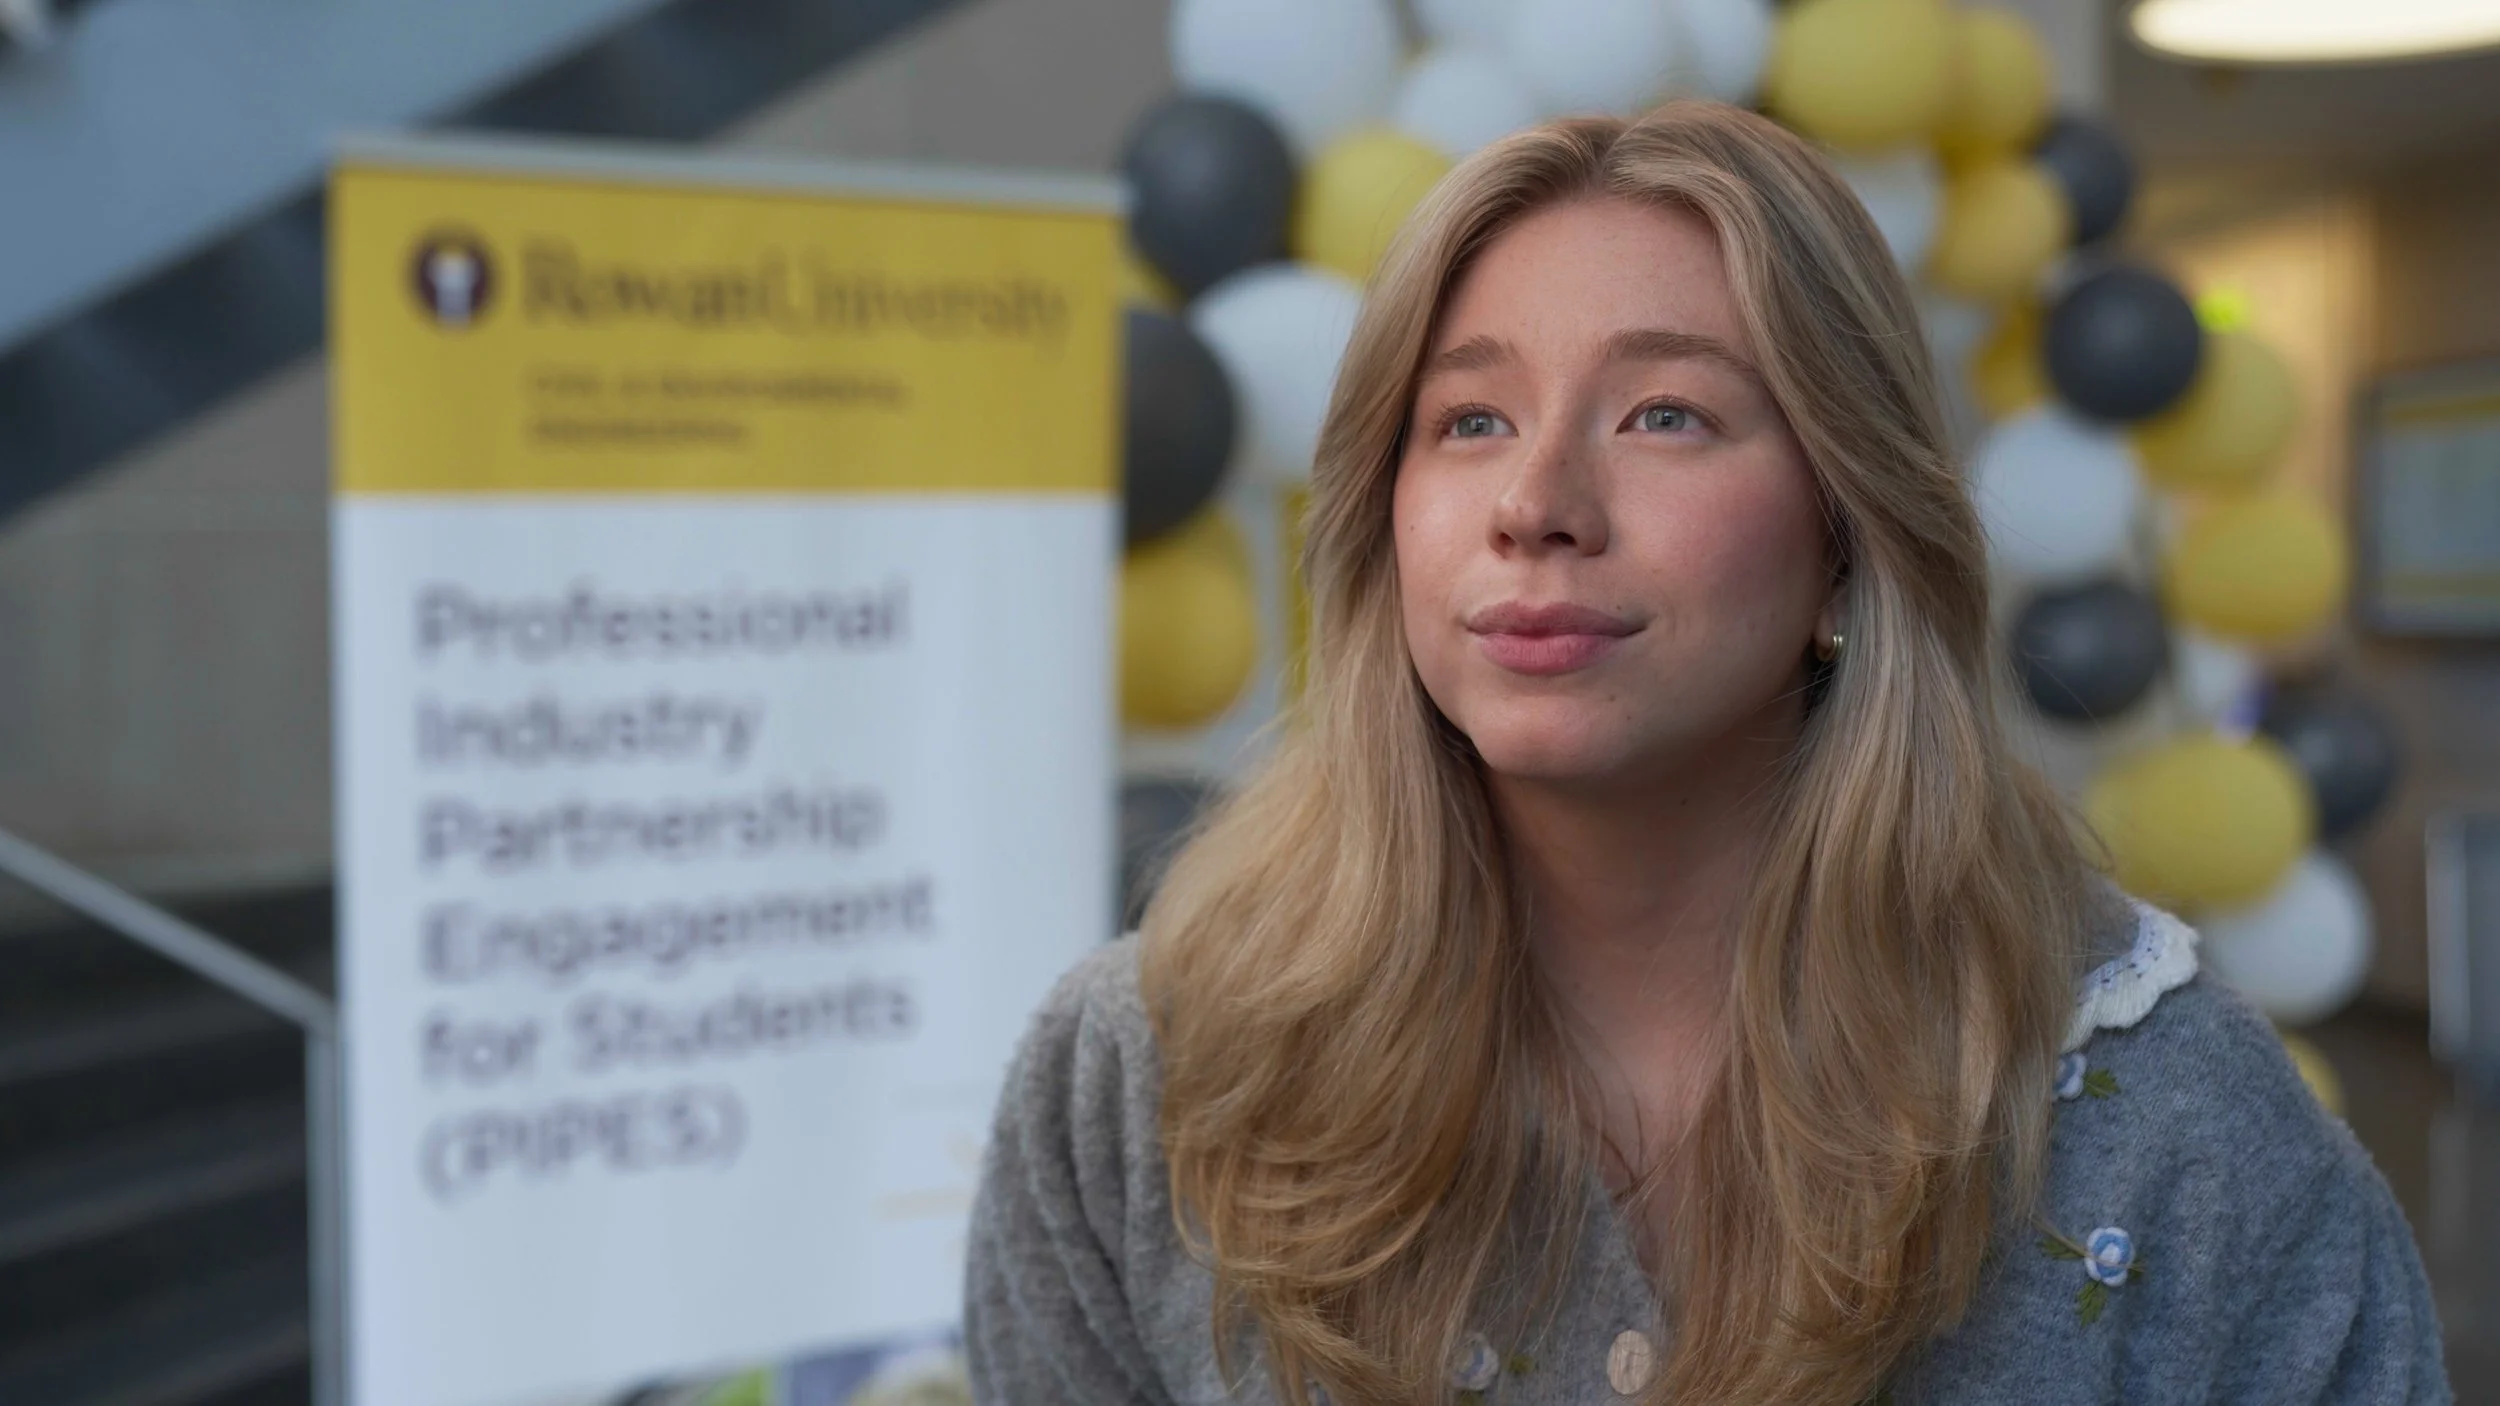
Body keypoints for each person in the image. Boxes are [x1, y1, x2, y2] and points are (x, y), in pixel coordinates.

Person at [964, 101, 2448, 1405]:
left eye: (1666, 413)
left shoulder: (2175, 1129)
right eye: (1468, 418)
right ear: (1382, 525)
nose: (1536, 502)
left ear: (1847, 542)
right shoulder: (1150, 1076)